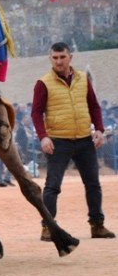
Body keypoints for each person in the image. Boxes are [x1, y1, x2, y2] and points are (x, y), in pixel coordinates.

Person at [31, 42, 115, 241]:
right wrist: (43, 136)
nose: (58, 61)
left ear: (70, 57)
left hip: (85, 140)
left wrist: (100, 130)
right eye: (55, 58)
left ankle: (97, 226)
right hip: (58, 141)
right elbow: (36, 112)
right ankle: (48, 227)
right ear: (50, 59)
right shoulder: (43, 83)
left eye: (62, 57)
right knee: (52, 186)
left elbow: (94, 106)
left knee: (93, 184)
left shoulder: (83, 80)